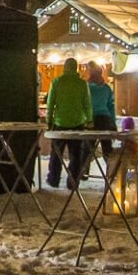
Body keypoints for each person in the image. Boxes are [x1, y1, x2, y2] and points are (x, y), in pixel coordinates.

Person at [43, 58, 92, 191]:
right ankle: (72, 182)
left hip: (60, 123)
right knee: (75, 155)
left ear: (65, 67)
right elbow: (86, 104)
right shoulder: (82, 84)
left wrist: (49, 120)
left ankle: (53, 179)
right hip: (77, 123)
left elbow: (50, 103)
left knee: (56, 154)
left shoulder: (56, 82)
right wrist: (89, 120)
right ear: (75, 68)